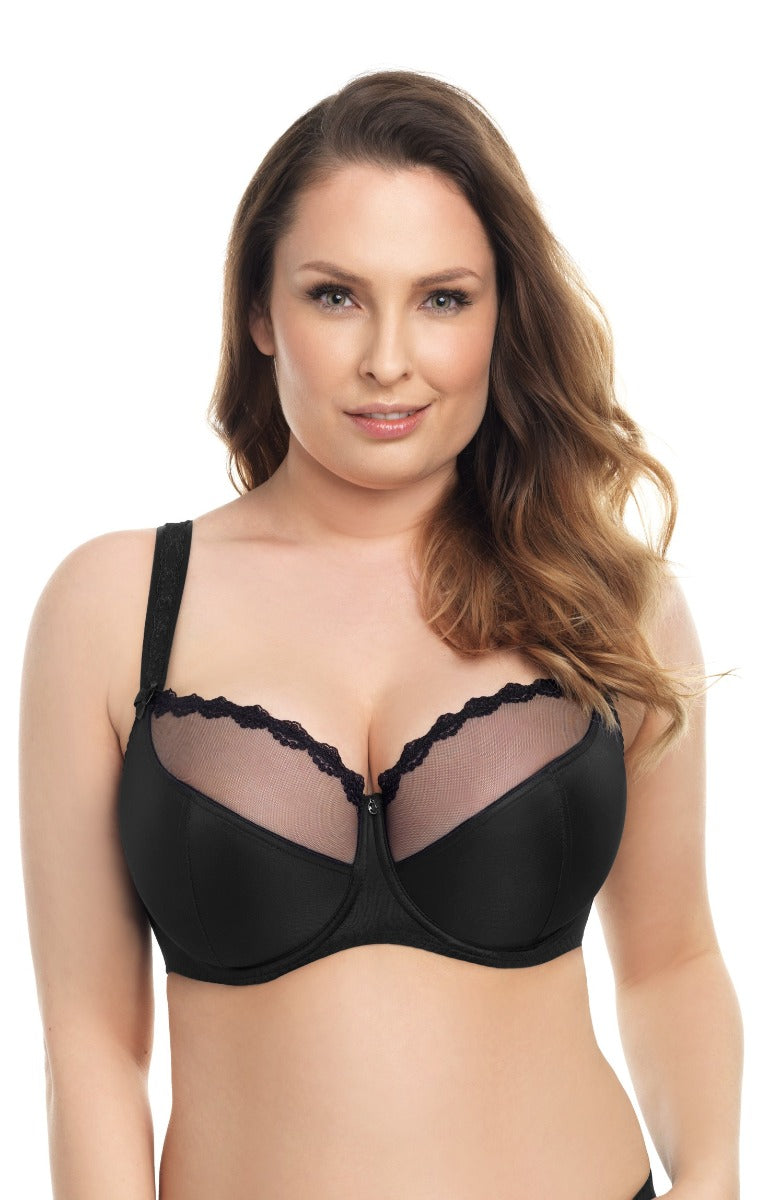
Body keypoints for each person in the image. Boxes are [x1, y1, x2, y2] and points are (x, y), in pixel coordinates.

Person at [19, 68, 743, 1200]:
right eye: (336, 296)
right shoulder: (115, 607)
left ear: (502, 315)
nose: (388, 359)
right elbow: (91, 1046)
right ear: (260, 313)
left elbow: (670, 960)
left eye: (443, 299)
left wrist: (712, 1176)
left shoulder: (606, 599)